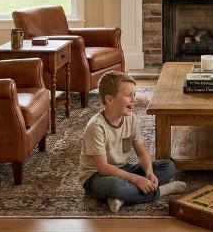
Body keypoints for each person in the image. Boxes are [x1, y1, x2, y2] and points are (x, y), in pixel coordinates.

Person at [79, 71, 186, 213]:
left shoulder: (131, 119)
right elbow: (103, 168)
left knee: (168, 166)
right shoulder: (96, 127)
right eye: (128, 95)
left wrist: (148, 173)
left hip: (123, 169)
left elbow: (141, 152)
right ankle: (161, 191)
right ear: (109, 99)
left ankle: (122, 197)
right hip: (96, 177)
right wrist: (136, 180)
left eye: (134, 95)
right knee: (116, 186)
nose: (134, 100)